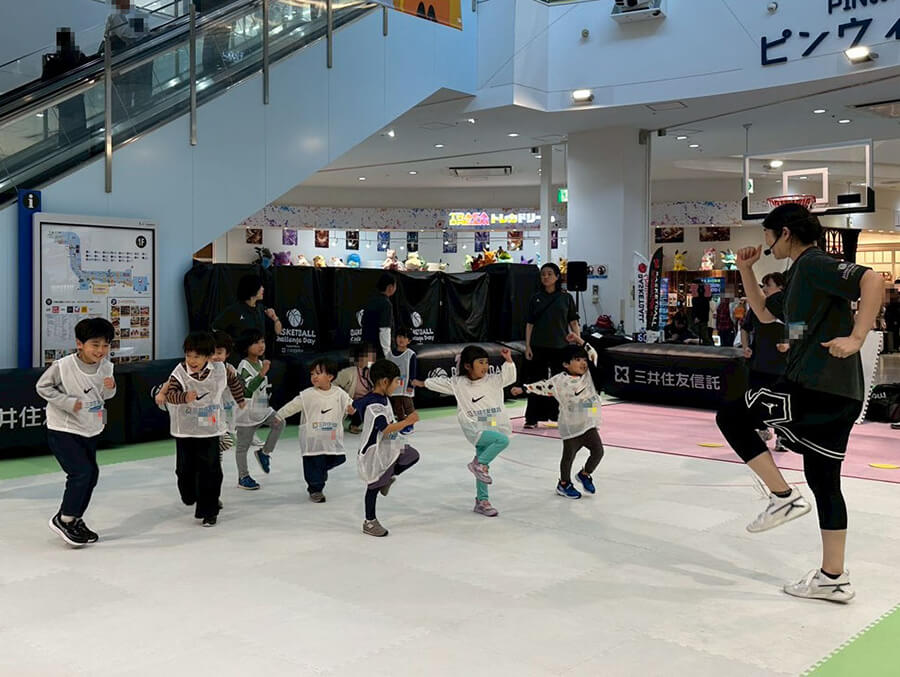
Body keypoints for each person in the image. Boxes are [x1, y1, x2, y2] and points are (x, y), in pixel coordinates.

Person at [715, 203, 883, 602]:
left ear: (785, 233)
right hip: (838, 393)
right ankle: (833, 577)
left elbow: (872, 280)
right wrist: (745, 270)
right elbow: (762, 312)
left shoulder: (812, 264)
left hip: (815, 386)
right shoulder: (796, 275)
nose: (765, 242)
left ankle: (783, 497)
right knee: (825, 483)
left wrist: (858, 337)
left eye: (768, 235)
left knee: (732, 416)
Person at [37, 318, 116, 546]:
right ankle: (64, 518)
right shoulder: (63, 366)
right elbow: (42, 387)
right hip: (64, 428)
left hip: (90, 427)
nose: (101, 350)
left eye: (106, 345)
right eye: (95, 344)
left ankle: (75, 519)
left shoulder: (107, 367)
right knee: (81, 473)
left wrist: (110, 388)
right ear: (80, 344)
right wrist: (67, 402)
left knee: (91, 475)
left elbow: (105, 397)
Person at [415, 346, 517, 517]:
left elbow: (509, 377)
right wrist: (422, 383)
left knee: (484, 468)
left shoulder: (493, 380)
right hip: (474, 426)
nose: (485, 366)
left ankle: (482, 501)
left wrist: (508, 361)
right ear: (468, 366)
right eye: (480, 362)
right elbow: (442, 384)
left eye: (486, 362)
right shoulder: (459, 383)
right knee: (502, 442)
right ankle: (477, 465)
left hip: (492, 424)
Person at [163, 331, 246, 527]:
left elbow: (233, 382)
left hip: (210, 429)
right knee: (184, 470)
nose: (192, 360)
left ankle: (209, 510)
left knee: (211, 470)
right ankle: (190, 494)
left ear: (208, 357)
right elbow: (170, 394)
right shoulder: (179, 372)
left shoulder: (221, 370)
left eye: (197, 356)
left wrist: (240, 400)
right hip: (186, 430)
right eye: (188, 355)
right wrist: (183, 397)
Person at [515, 333, 604, 499]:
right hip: (571, 426)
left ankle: (585, 474)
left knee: (598, 452)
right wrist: (524, 388)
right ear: (566, 364)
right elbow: (542, 386)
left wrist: (579, 340)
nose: (583, 363)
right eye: (577, 360)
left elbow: (593, 353)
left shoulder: (588, 376)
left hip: (589, 424)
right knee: (568, 456)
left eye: (583, 360)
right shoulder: (559, 381)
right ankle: (564, 483)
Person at [354, 360, 421, 537]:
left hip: (389, 446)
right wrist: (407, 421)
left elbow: (355, 405)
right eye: (396, 381)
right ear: (384, 382)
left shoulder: (378, 398)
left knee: (411, 455)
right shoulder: (375, 406)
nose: (398, 384)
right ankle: (369, 521)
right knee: (373, 487)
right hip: (373, 453)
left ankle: (389, 477)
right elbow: (384, 428)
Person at [277, 359, 355, 503]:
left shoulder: (339, 393)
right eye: (312, 373)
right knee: (313, 462)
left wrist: (351, 409)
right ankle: (315, 489)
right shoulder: (307, 394)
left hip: (331, 437)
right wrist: (279, 415)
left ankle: (319, 473)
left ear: (330, 376)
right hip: (312, 438)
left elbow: (350, 404)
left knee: (338, 458)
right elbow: (292, 406)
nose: (314, 376)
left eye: (318, 373)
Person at [524, 263, 579, 429]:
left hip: (560, 346)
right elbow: (529, 324)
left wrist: (578, 342)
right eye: (543, 274)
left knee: (559, 383)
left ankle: (556, 415)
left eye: (549, 274)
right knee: (535, 382)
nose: (545, 277)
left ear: (557, 276)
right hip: (538, 345)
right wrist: (527, 346)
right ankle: (532, 418)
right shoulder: (535, 298)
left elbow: (573, 322)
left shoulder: (566, 298)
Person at [741, 273, 788, 451]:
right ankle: (762, 430)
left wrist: (788, 344)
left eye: (769, 285)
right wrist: (746, 347)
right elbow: (745, 329)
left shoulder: (789, 306)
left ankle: (782, 437)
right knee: (756, 398)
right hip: (759, 362)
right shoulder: (757, 306)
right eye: (764, 285)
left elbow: (800, 329)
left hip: (782, 364)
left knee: (781, 401)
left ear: (780, 287)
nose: (765, 288)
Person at [234, 329, 285, 490]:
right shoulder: (244, 365)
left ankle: (264, 453)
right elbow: (247, 389)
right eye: (256, 342)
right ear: (246, 346)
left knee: (280, 422)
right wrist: (262, 374)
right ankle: (243, 477)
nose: (260, 345)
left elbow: (262, 390)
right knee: (243, 447)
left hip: (262, 409)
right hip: (247, 412)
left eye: (262, 341)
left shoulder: (262, 363)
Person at [42, 29, 89, 150]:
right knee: (79, 134)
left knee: (66, 135)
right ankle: (80, 152)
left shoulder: (54, 62)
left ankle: (66, 153)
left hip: (64, 103)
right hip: (78, 100)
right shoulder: (79, 57)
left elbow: (45, 81)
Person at [212, 274, 283, 346]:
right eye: (260, 286)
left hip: (258, 355)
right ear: (252, 288)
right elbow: (215, 328)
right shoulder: (234, 310)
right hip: (240, 355)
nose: (263, 289)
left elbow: (278, 332)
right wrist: (230, 343)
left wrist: (275, 318)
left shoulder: (262, 309)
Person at [336, 343, 376, 434]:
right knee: (360, 405)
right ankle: (354, 424)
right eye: (370, 356)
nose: (372, 358)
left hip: (367, 401)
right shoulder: (349, 372)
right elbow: (334, 385)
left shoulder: (372, 371)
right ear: (361, 357)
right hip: (352, 403)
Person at [386, 327, 417, 434]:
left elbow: (413, 371)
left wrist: (410, 385)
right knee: (397, 405)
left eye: (404, 337)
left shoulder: (410, 354)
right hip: (394, 385)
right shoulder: (390, 354)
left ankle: (410, 425)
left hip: (406, 385)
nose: (401, 339)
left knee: (408, 405)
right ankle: (401, 423)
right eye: (399, 337)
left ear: (409, 341)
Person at [361, 273, 397, 359]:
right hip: (379, 351)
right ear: (390, 287)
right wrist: (388, 354)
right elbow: (384, 330)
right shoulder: (386, 304)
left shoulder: (371, 299)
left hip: (367, 348)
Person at [691, 280, 712, 345]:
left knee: (702, 335)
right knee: (703, 334)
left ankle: (708, 346)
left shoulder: (698, 297)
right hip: (703, 317)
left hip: (700, 317)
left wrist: (697, 317)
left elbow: (699, 307)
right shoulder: (704, 295)